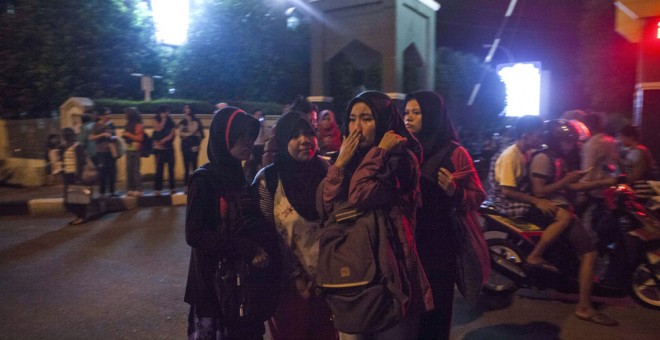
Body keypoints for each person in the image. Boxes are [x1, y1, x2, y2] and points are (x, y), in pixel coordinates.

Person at [321, 90, 433, 339]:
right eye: (352, 118)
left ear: (383, 122)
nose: (357, 127)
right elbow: (327, 206)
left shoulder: (400, 160)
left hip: (392, 280)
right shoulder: (347, 160)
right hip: (354, 279)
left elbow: (360, 194)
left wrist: (379, 152)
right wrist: (339, 165)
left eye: (367, 118)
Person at [184, 106, 279, 340]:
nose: (247, 142)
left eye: (250, 135)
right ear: (222, 138)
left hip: (244, 286)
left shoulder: (242, 178)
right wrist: (245, 247)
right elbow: (194, 234)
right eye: (240, 136)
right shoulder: (203, 180)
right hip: (213, 287)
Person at [404, 91, 487, 340]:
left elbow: (478, 195)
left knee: (436, 311)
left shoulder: (454, 152)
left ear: (432, 115)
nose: (409, 118)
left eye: (416, 113)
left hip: (439, 247)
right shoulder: (401, 148)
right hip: (406, 243)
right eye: (406, 112)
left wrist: (454, 191)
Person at [252, 111, 336, 340]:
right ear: (282, 140)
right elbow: (261, 235)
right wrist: (291, 276)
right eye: (295, 135)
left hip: (330, 285)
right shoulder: (267, 180)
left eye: (308, 133)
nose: (304, 140)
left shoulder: (330, 173)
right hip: (286, 289)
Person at [528, 119, 618, 326]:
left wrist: (605, 182)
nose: (571, 145)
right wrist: (567, 181)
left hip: (563, 206)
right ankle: (584, 307)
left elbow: (574, 187)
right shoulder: (543, 158)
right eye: (567, 141)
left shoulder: (558, 158)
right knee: (590, 253)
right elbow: (539, 191)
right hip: (552, 210)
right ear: (555, 140)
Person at [487, 115, 574, 269]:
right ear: (526, 137)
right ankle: (535, 255)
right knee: (563, 217)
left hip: (518, 197)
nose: (542, 139)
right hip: (508, 203)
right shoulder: (510, 156)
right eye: (539, 136)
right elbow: (507, 191)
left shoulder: (525, 151)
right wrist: (537, 201)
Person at [60, 128, 88, 225]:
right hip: (67, 174)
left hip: (75, 175)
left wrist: (78, 175)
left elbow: (83, 161)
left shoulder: (77, 146)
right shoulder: (64, 146)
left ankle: (81, 217)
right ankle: (79, 216)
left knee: (77, 197)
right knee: (68, 199)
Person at [89, 107, 117, 197]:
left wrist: (113, 137)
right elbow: (91, 138)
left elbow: (114, 136)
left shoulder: (111, 125)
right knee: (103, 173)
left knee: (112, 172)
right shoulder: (96, 125)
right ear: (101, 116)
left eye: (109, 114)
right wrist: (103, 134)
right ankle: (102, 193)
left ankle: (112, 192)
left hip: (111, 151)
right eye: (106, 114)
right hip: (101, 152)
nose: (108, 116)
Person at [177, 104, 204, 191]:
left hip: (194, 146)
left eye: (188, 108)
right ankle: (186, 186)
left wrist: (187, 133)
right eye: (185, 108)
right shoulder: (182, 121)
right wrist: (191, 133)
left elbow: (200, 133)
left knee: (194, 167)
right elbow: (180, 133)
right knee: (186, 167)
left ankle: (195, 186)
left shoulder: (196, 121)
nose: (186, 110)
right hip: (185, 146)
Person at [152, 105, 177, 195]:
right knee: (159, 169)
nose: (168, 113)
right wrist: (163, 119)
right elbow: (158, 128)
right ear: (161, 112)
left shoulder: (170, 121)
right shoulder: (156, 119)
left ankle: (172, 188)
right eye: (167, 111)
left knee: (171, 168)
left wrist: (164, 140)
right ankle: (158, 189)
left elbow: (173, 133)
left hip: (169, 147)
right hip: (159, 149)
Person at [121, 107, 144, 197]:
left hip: (135, 150)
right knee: (129, 170)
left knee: (135, 170)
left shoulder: (138, 125)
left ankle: (138, 189)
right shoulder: (128, 124)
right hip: (129, 149)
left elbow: (140, 138)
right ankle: (130, 188)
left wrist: (128, 135)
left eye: (126, 114)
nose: (125, 115)